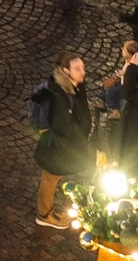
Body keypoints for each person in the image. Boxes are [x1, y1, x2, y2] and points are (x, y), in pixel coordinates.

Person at [30, 54, 95, 227]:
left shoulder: (74, 87)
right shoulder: (60, 96)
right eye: (77, 69)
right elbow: (62, 127)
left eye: (83, 67)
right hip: (57, 148)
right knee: (50, 177)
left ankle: (47, 211)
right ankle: (44, 215)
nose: (83, 72)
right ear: (66, 71)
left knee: (52, 177)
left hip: (59, 147)